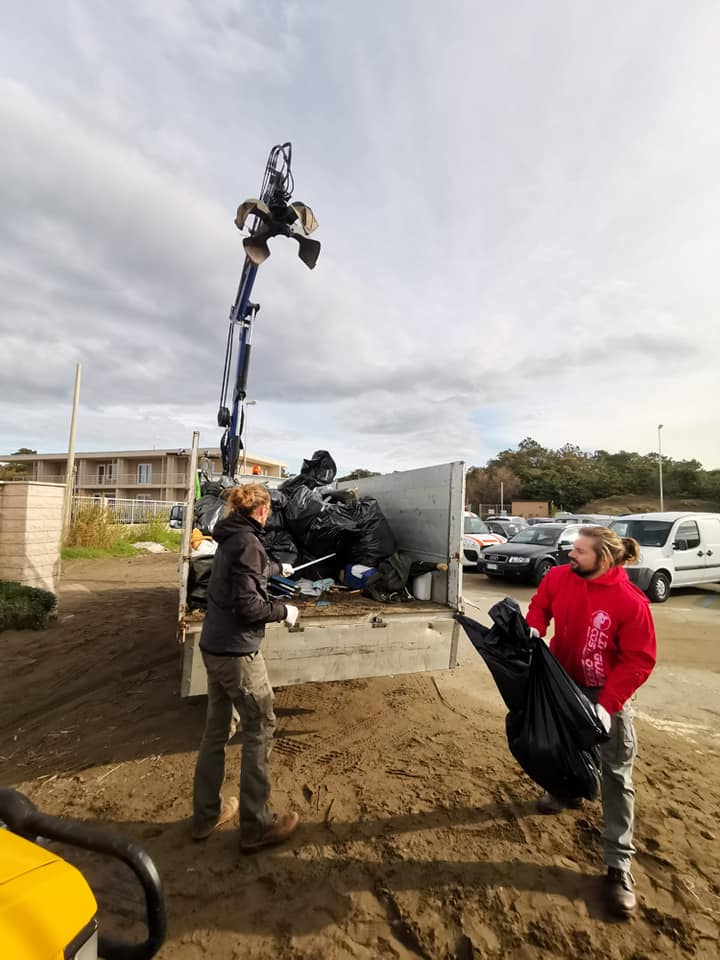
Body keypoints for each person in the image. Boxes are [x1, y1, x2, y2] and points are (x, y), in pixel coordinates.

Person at [525, 525, 656, 918]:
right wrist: (535, 625)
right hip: (564, 682)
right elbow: (541, 604)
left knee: (615, 773)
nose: (570, 554)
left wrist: (609, 704)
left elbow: (639, 659)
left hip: (606, 695)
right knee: (559, 747)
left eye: (580, 551)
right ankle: (567, 792)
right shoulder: (559, 576)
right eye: (572, 549)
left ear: (604, 558)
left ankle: (619, 866)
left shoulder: (631, 602)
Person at [191, 483, 300, 851]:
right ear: (262, 511)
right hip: (238, 654)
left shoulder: (230, 537)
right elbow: (250, 607)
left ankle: (206, 815)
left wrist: (275, 566)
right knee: (261, 724)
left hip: (213, 647)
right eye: (267, 510)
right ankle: (256, 825)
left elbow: (246, 570)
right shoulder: (248, 543)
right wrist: (285, 611)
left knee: (216, 731)